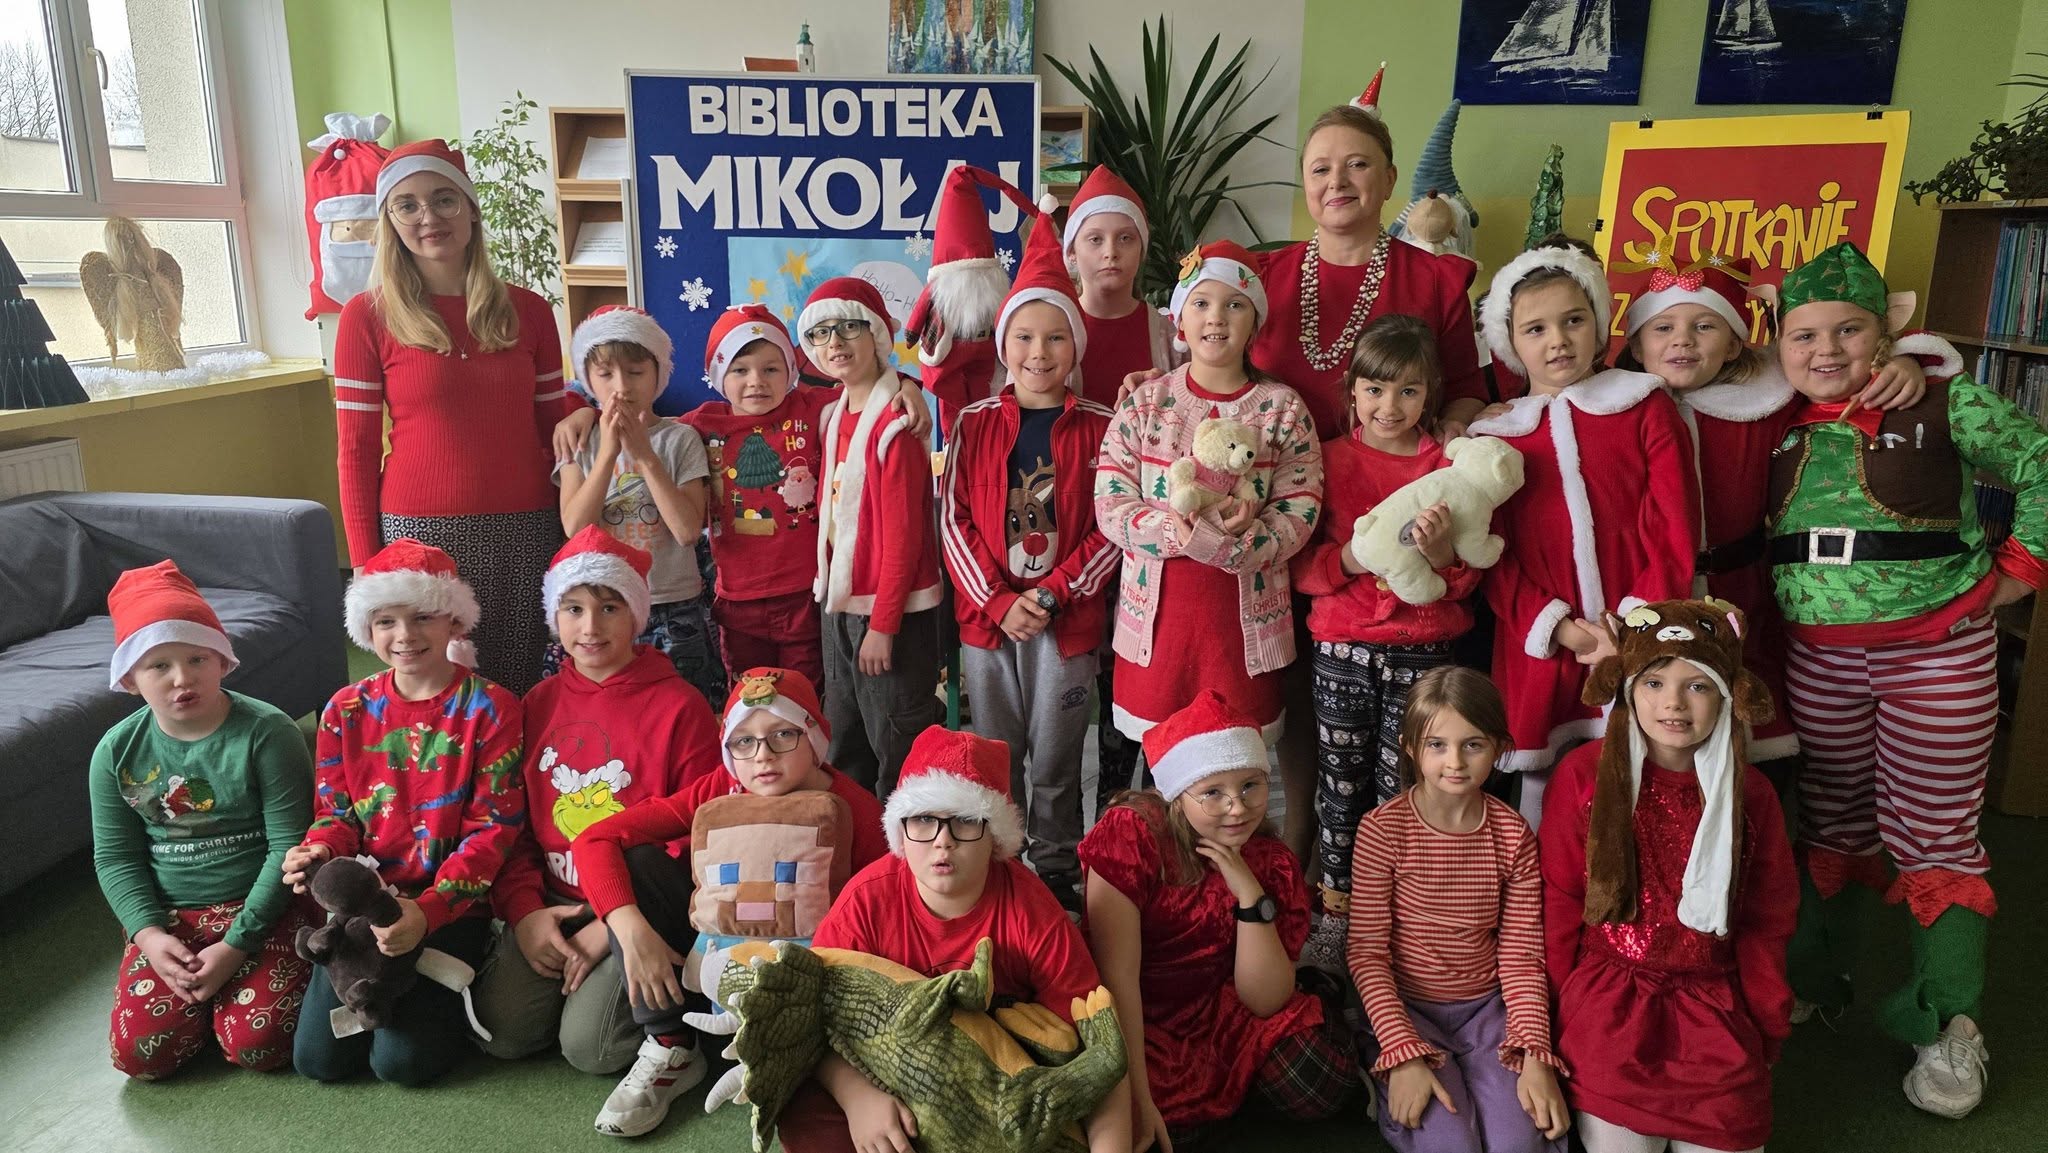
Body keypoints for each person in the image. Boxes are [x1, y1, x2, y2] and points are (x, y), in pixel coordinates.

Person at [1763, 242, 2048, 1120]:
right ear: (1777, 340)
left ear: (1887, 329)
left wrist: (2020, 570)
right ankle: (1818, 978)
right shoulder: (1768, 414)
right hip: (1817, 661)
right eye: (1805, 333)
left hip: (1939, 655)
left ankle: (1951, 1021)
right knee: (1832, 821)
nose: (1826, 349)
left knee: (1936, 836)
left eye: (1848, 330)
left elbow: (2040, 460)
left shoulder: (1944, 397)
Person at [1614, 253, 1937, 766]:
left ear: (1735, 343)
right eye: (1664, 327)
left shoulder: (1766, 403)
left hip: (1744, 585)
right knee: (1657, 718)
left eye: (1704, 326)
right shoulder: (1614, 409)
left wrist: (1903, 360)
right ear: (1635, 344)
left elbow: (1838, 366)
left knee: (1751, 717)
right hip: (1645, 586)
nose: (1683, 341)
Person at [773, 726, 1131, 1153]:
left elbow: (1100, 1049)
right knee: (801, 1112)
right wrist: (856, 1096)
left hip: (992, 1092)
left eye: (965, 820)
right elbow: (808, 1019)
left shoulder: (1033, 911)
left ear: (995, 837)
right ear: (901, 830)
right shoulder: (866, 901)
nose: (943, 840)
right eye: (924, 819)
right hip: (889, 1077)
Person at [569, 666, 886, 1138]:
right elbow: (595, 839)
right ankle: (671, 1043)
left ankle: (797, 1052)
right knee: (640, 861)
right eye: (744, 741)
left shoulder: (853, 807)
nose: (763, 756)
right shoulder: (718, 789)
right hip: (710, 963)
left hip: (805, 976)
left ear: (815, 738)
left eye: (783, 735)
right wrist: (629, 927)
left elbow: (886, 897)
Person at [1541, 599, 1799, 1152]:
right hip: (1608, 1010)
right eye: (1654, 683)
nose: (1673, 703)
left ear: (1728, 694)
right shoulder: (1582, 777)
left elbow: (1766, 922)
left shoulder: (1753, 796)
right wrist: (1556, 1015)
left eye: (1697, 686)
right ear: (1628, 688)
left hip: (1713, 1009)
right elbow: (1560, 901)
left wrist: (1767, 1021)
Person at [473, 528, 722, 1077]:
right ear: (554, 617)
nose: (590, 627)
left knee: (591, 1050)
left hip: (636, 906)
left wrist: (607, 928)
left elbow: (697, 837)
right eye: (574, 609)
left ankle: (668, 1005)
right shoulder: (535, 703)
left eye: (609, 608)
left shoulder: (681, 707)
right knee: (504, 1035)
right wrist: (525, 913)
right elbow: (512, 825)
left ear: (636, 614)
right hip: (554, 901)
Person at [1467, 239, 1699, 822]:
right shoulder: (1493, 439)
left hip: (1641, 633)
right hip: (1546, 646)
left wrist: (1632, 622)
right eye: (1536, 329)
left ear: (1598, 323)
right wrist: (1562, 630)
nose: (1558, 340)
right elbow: (1491, 556)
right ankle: (1544, 878)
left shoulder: (1643, 404)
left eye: (1573, 320)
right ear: (1509, 342)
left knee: (1647, 772)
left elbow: (1674, 524)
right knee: (1544, 789)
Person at [333, 138, 576, 694]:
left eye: (444, 199)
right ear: (390, 221)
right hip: (418, 534)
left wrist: (583, 414)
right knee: (433, 692)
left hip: (528, 527)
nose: (429, 217)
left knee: (522, 685)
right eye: (408, 205)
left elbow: (554, 426)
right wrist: (367, 562)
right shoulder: (365, 317)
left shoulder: (530, 310)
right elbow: (355, 450)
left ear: (470, 208)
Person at [286, 539, 526, 1085]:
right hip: (362, 905)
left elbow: (494, 830)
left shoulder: (493, 708)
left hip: (450, 906)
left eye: (422, 617)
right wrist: (318, 850)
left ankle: (471, 971)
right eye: (386, 621)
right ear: (366, 629)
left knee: (403, 1066)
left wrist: (430, 912)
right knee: (319, 1062)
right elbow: (335, 813)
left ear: (453, 621)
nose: (405, 635)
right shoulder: (344, 709)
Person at [1082, 691, 1357, 1150]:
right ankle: (1228, 1096)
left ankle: (1242, 1078)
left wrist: (1249, 894)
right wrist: (1136, 1095)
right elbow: (1117, 978)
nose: (1238, 807)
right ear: (1178, 796)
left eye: (1251, 785)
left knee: (1320, 1079)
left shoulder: (1271, 861)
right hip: (1138, 1012)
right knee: (1154, 1116)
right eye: (1212, 792)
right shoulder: (1131, 835)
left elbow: (1264, 1001)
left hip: (1221, 1005)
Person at [939, 214, 1118, 911]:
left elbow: (1112, 526)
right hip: (989, 626)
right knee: (996, 752)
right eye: (1024, 337)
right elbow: (953, 520)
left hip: (1065, 623)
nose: (1039, 352)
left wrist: (1051, 595)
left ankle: (1055, 866)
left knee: (1057, 755)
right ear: (1003, 344)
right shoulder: (973, 423)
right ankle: (1000, 861)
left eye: (1055, 337)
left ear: (1075, 345)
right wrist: (997, 601)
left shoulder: (1102, 426)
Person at [1094, 240, 1323, 750]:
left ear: (1254, 323)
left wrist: (1242, 541)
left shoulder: (1283, 410)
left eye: (1234, 304)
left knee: (1237, 762)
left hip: (1242, 642)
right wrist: (1176, 531)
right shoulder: (1145, 405)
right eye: (1200, 302)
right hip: (1157, 636)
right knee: (1162, 763)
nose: (1216, 316)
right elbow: (1110, 504)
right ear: (1179, 319)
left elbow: (1300, 509)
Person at [1293, 315, 1484, 925]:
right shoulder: (1324, 460)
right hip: (1342, 650)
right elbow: (1298, 566)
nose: (1389, 406)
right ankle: (1337, 911)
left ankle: (1395, 915)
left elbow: (1470, 578)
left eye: (1408, 390)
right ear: (1352, 389)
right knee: (1339, 785)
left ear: (1430, 393)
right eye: (1375, 389)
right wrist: (1350, 559)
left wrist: (1441, 554)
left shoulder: (1447, 467)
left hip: (1424, 652)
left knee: (1405, 787)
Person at [90, 561, 314, 1078]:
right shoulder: (115, 751)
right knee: (141, 1057)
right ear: (130, 679)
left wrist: (236, 946)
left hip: (264, 908)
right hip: (171, 918)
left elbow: (289, 844)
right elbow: (116, 857)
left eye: (197, 658)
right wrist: (148, 935)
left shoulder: (268, 732)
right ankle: (204, 1009)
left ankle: (226, 1007)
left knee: (261, 1047)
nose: (182, 678)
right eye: (158, 666)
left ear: (222, 661)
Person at [1350, 667, 1566, 1153]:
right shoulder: (1382, 831)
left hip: (1488, 1013)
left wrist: (1535, 1054)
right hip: (1408, 1009)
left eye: (1472, 745)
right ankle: (1381, 1069)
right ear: (1410, 748)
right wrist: (1403, 1054)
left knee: (1518, 1144)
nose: (1455, 762)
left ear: (1499, 748)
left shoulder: (1512, 835)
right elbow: (1367, 953)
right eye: (1437, 745)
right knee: (1452, 1144)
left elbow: (1522, 955)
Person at [803, 277, 945, 798]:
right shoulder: (831, 413)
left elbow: (906, 536)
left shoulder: (896, 425)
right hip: (838, 607)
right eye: (820, 332)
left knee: (896, 740)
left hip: (890, 613)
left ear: (878, 334)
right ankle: (858, 839)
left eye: (849, 327)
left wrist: (884, 625)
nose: (835, 342)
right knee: (847, 739)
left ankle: (902, 844)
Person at [1062, 164, 1173, 814]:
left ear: (1142, 248)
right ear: (1072, 250)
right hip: (1073, 534)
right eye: (1096, 239)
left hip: (1147, 536)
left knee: (1145, 668)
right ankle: (1106, 808)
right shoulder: (1049, 325)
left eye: (1125, 239)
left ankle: (1152, 811)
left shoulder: (1167, 330)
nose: (1111, 252)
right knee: (1093, 671)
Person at [551, 306, 720, 704]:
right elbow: (576, 529)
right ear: (587, 378)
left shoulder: (680, 439)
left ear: (658, 374)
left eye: (636, 372)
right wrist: (608, 452)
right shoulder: (580, 441)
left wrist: (644, 455)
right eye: (605, 374)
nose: (621, 386)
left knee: (685, 706)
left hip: (673, 603)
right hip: (606, 606)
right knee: (616, 709)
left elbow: (687, 531)